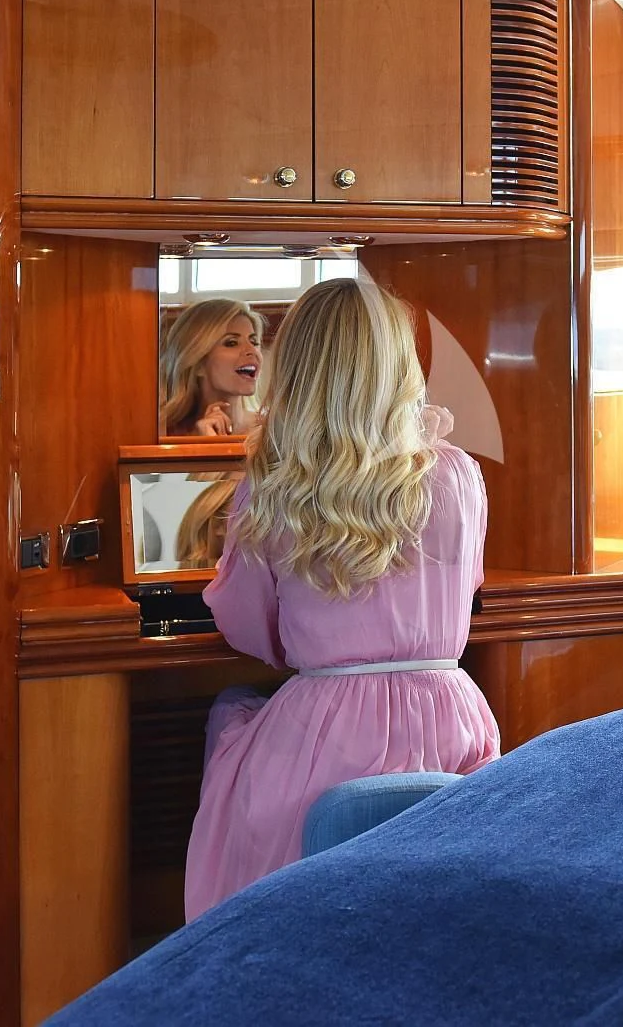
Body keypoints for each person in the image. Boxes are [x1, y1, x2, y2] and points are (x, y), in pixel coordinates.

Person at [183, 276, 499, 919]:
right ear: (399, 362)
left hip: (324, 732)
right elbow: (464, 591)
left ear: (294, 368)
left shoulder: (275, 485)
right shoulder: (458, 474)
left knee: (229, 721)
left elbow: (251, 631)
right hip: (450, 722)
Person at [158, 298, 264, 437]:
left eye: (254, 342)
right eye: (232, 343)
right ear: (198, 363)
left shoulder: (272, 431)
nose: (252, 350)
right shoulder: (162, 434)